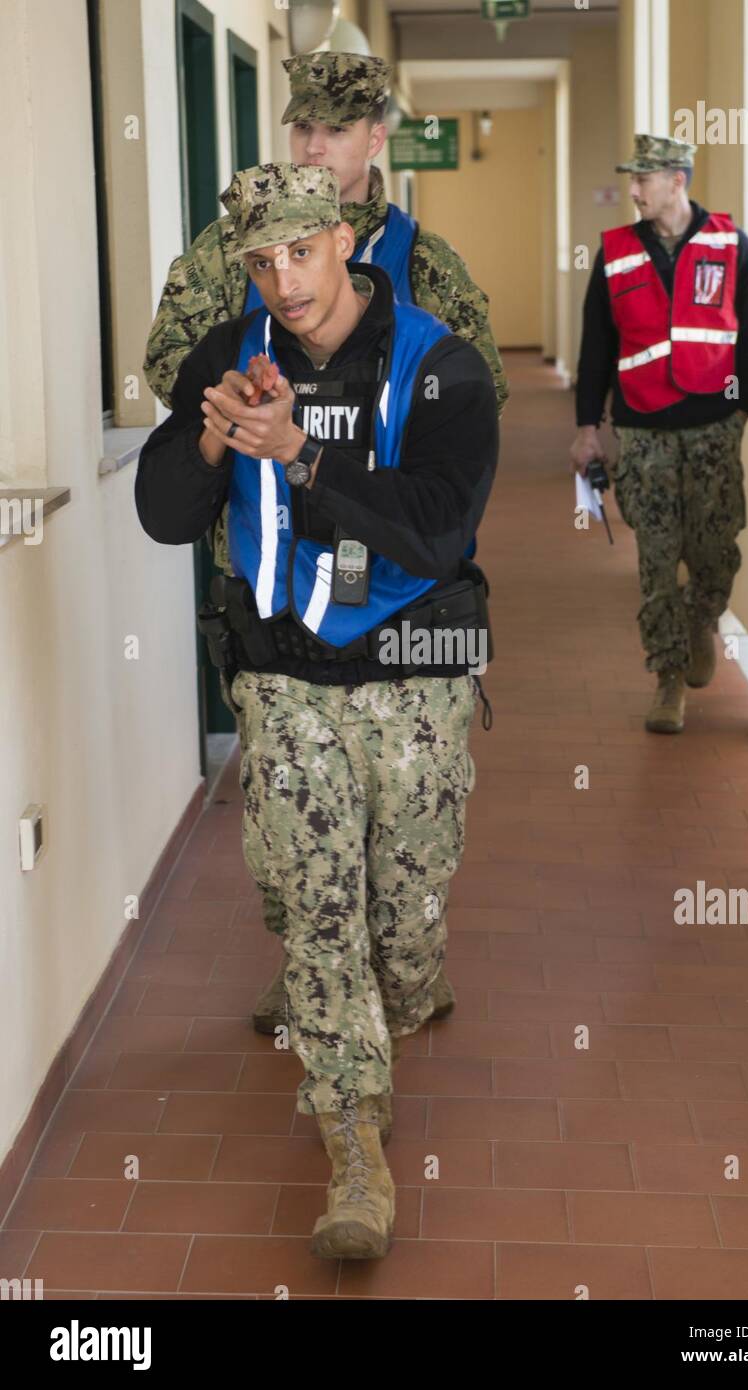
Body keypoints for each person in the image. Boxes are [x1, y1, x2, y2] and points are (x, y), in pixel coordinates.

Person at [135, 163, 498, 1259]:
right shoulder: (232, 353)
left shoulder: (441, 366)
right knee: (317, 902)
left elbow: (436, 528)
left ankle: (411, 979)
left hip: (414, 672)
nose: (281, 280)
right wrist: (210, 439)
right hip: (288, 677)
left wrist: (302, 453)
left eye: (299, 250)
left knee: (401, 913)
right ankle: (351, 1140)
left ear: (343, 239)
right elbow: (163, 512)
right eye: (259, 259)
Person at [143, 50, 507, 1032]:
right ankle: (312, 956)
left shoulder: (426, 267)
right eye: (301, 127)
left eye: (335, 129)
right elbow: (174, 371)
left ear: (373, 141)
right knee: (287, 818)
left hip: (390, 569)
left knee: (402, 838)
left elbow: (470, 425)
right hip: (267, 561)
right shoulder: (229, 255)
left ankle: (391, 956)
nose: (315, 143)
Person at [571, 134, 748, 734]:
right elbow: (596, 348)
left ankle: (702, 617)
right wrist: (588, 428)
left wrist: (737, 413)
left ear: (677, 180)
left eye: (643, 180)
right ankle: (668, 679)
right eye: (631, 179)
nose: (633, 191)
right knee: (655, 557)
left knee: (715, 550)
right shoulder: (616, 254)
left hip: (713, 427)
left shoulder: (732, 246)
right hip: (643, 428)